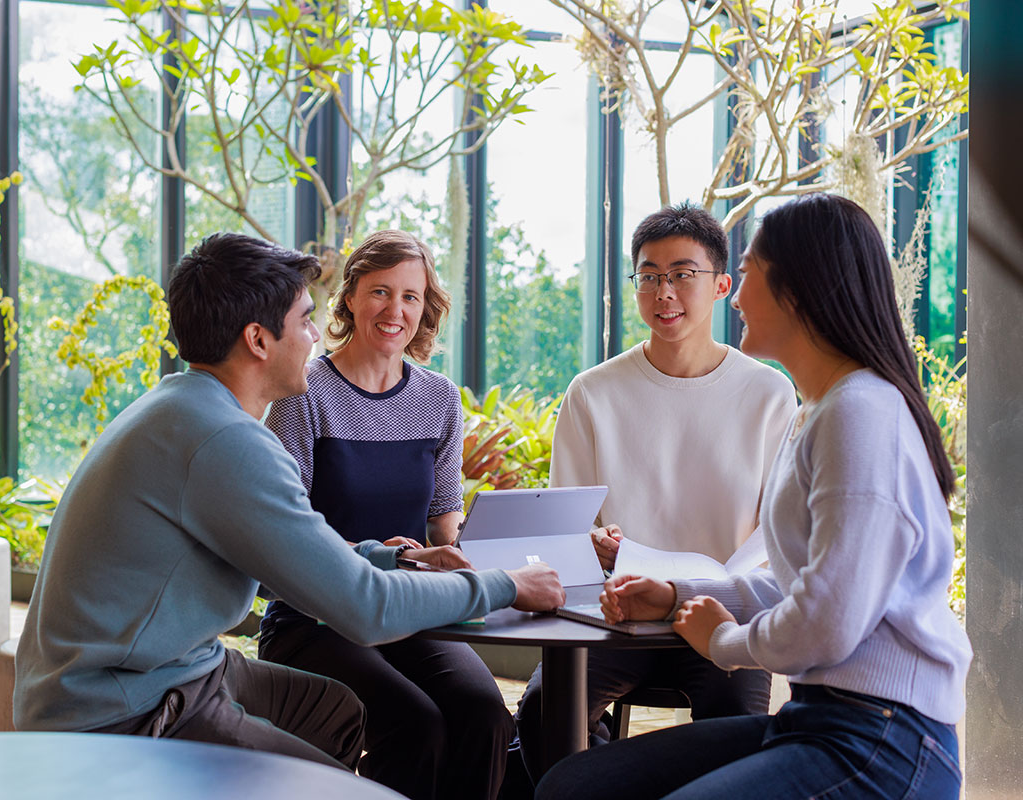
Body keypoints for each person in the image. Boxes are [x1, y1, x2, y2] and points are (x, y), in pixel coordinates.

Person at [12, 232, 565, 771]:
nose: (317, 337)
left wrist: (395, 557)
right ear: (258, 340)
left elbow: (288, 554)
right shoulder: (226, 443)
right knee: (339, 779)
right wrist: (509, 585)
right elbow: (365, 609)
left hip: (178, 667)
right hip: (126, 707)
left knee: (342, 716)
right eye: (305, 320)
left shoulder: (184, 407)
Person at [536, 193, 972, 800]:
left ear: (800, 288)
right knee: (574, 785)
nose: (736, 297)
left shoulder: (860, 413)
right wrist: (677, 594)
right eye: (653, 277)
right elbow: (803, 586)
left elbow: (827, 621)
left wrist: (723, 640)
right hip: (819, 719)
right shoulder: (822, 410)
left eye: (746, 275)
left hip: (884, 739)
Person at [513, 203, 797, 782]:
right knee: (542, 715)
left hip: (723, 611)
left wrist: (706, 594)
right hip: (613, 615)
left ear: (721, 285)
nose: (664, 291)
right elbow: (567, 523)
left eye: (682, 274)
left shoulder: (770, 393)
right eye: (649, 276)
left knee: (735, 743)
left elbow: (776, 534)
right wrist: (590, 545)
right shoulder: (593, 392)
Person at [259, 230, 512, 800]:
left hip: (409, 611)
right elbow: (284, 538)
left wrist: (463, 557)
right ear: (349, 298)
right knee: (415, 723)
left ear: (426, 308)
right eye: (380, 291)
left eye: (411, 296)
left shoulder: (440, 398)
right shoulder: (304, 392)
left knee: (487, 715)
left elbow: (444, 527)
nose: (395, 310)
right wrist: (393, 558)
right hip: (315, 618)